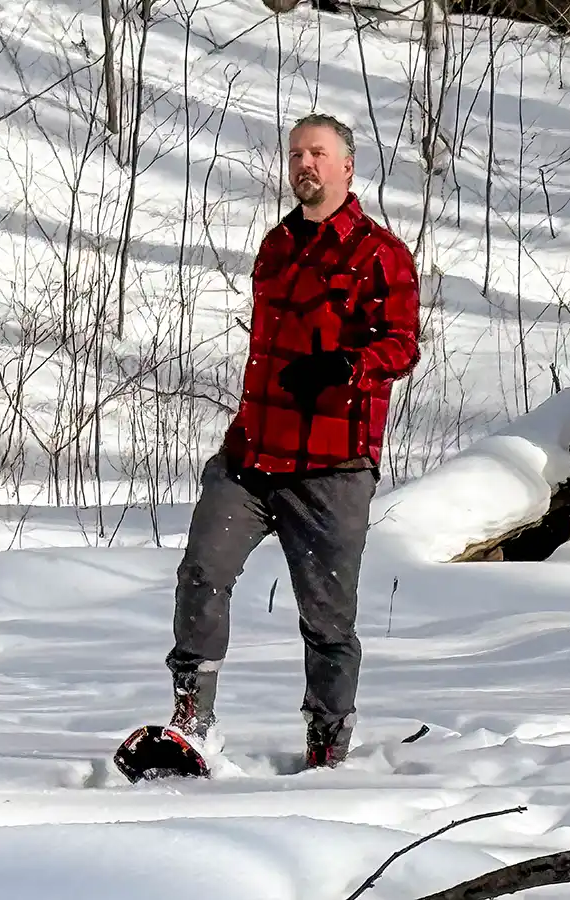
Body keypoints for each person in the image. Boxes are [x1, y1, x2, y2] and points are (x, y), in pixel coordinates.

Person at [164, 113, 422, 768]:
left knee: (326, 620)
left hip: (331, 466)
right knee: (201, 571)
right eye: (295, 154)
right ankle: (192, 719)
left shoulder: (378, 252)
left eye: (317, 153)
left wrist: (344, 366)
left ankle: (325, 745)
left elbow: (400, 344)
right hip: (250, 454)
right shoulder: (275, 245)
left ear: (346, 167)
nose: (303, 164)